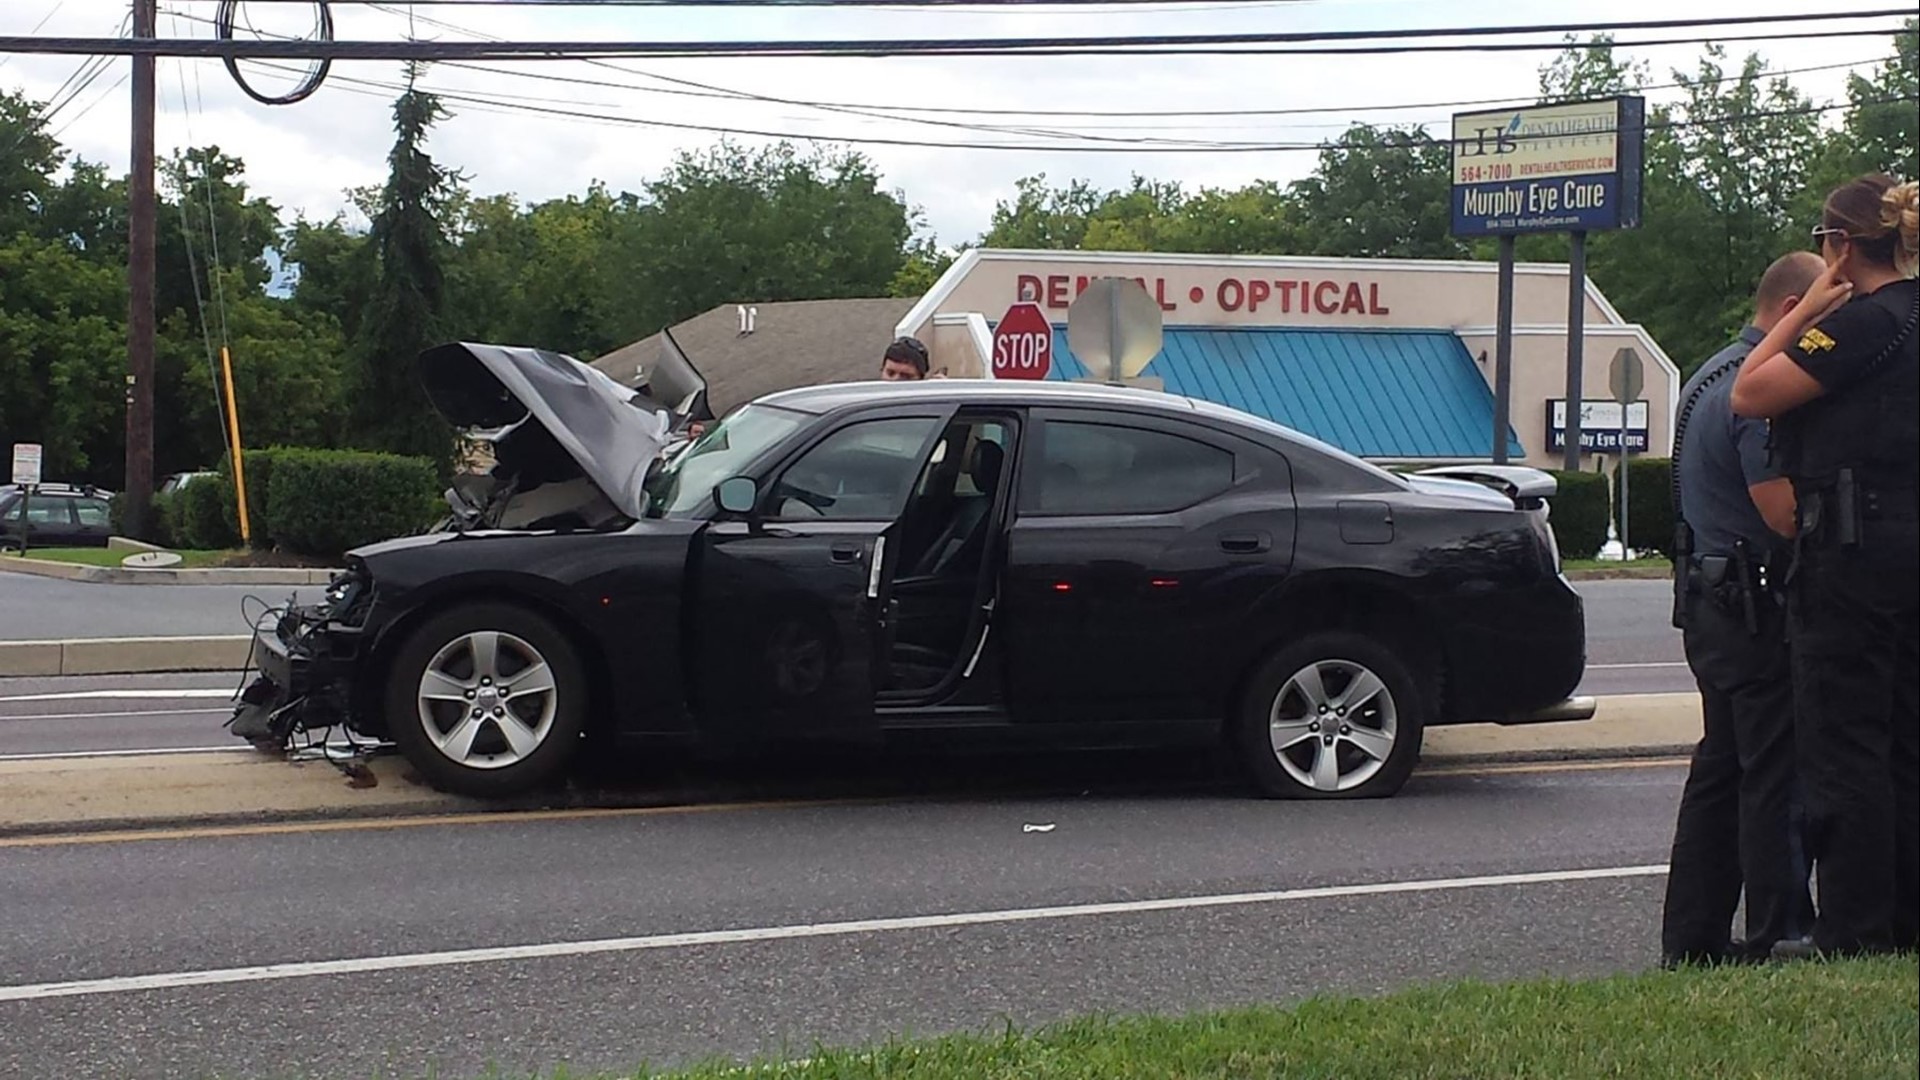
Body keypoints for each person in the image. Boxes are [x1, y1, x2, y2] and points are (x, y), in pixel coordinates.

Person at [1730, 173, 1919, 959]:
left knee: (1847, 747)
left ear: (1840, 247)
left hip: (1851, 557)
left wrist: (1806, 309)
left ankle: (1855, 926)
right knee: (1909, 740)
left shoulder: (1856, 327)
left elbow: (1750, 392)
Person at [1660, 252, 1823, 967]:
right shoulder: (1755, 394)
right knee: (1772, 775)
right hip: (1754, 604)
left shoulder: (1707, 374)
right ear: (1791, 309)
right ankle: (1780, 933)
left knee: (1721, 770)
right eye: (1820, 315)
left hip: (1710, 597)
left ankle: (1692, 939)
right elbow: (1780, 511)